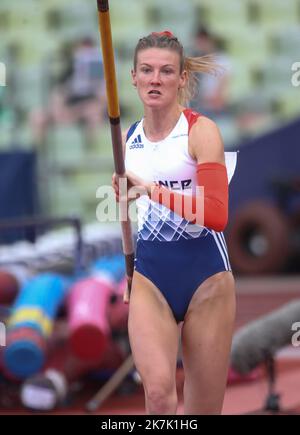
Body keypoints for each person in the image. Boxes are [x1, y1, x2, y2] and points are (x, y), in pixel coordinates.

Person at [112, 31, 236, 415]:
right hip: (151, 279)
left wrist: (150, 189)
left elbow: (216, 213)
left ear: (182, 78)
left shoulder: (201, 131)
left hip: (207, 280)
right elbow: (127, 211)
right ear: (133, 76)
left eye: (166, 71)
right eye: (147, 71)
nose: (155, 79)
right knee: (160, 396)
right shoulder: (127, 138)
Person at [30, 37, 106, 147]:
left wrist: (78, 110)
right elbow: (58, 94)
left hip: (86, 110)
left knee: (94, 113)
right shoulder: (69, 70)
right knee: (37, 116)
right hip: (67, 110)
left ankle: (91, 151)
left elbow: (102, 99)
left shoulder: (100, 71)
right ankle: (37, 152)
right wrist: (61, 109)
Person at [189, 27, 232, 121]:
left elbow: (221, 91)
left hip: (215, 109)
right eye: (198, 43)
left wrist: (214, 100)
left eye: (202, 42)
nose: (200, 45)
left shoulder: (222, 60)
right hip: (201, 107)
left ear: (209, 41)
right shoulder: (198, 61)